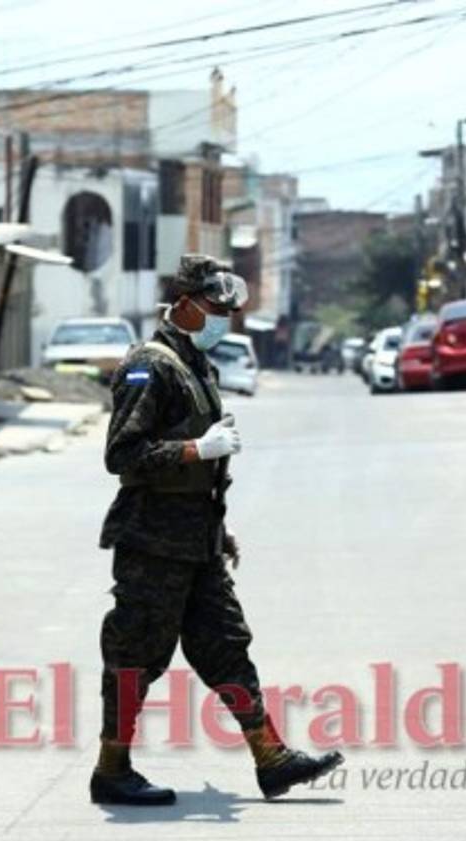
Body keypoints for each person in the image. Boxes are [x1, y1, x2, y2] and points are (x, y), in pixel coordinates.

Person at [92, 254, 344, 806]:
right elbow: (122, 454)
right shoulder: (149, 364)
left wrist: (218, 527)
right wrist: (195, 449)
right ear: (183, 305)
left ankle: (271, 758)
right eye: (214, 308)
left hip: (196, 537)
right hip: (152, 541)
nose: (222, 319)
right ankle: (112, 768)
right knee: (136, 653)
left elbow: (197, 469)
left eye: (228, 311)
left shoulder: (194, 364)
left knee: (226, 646)